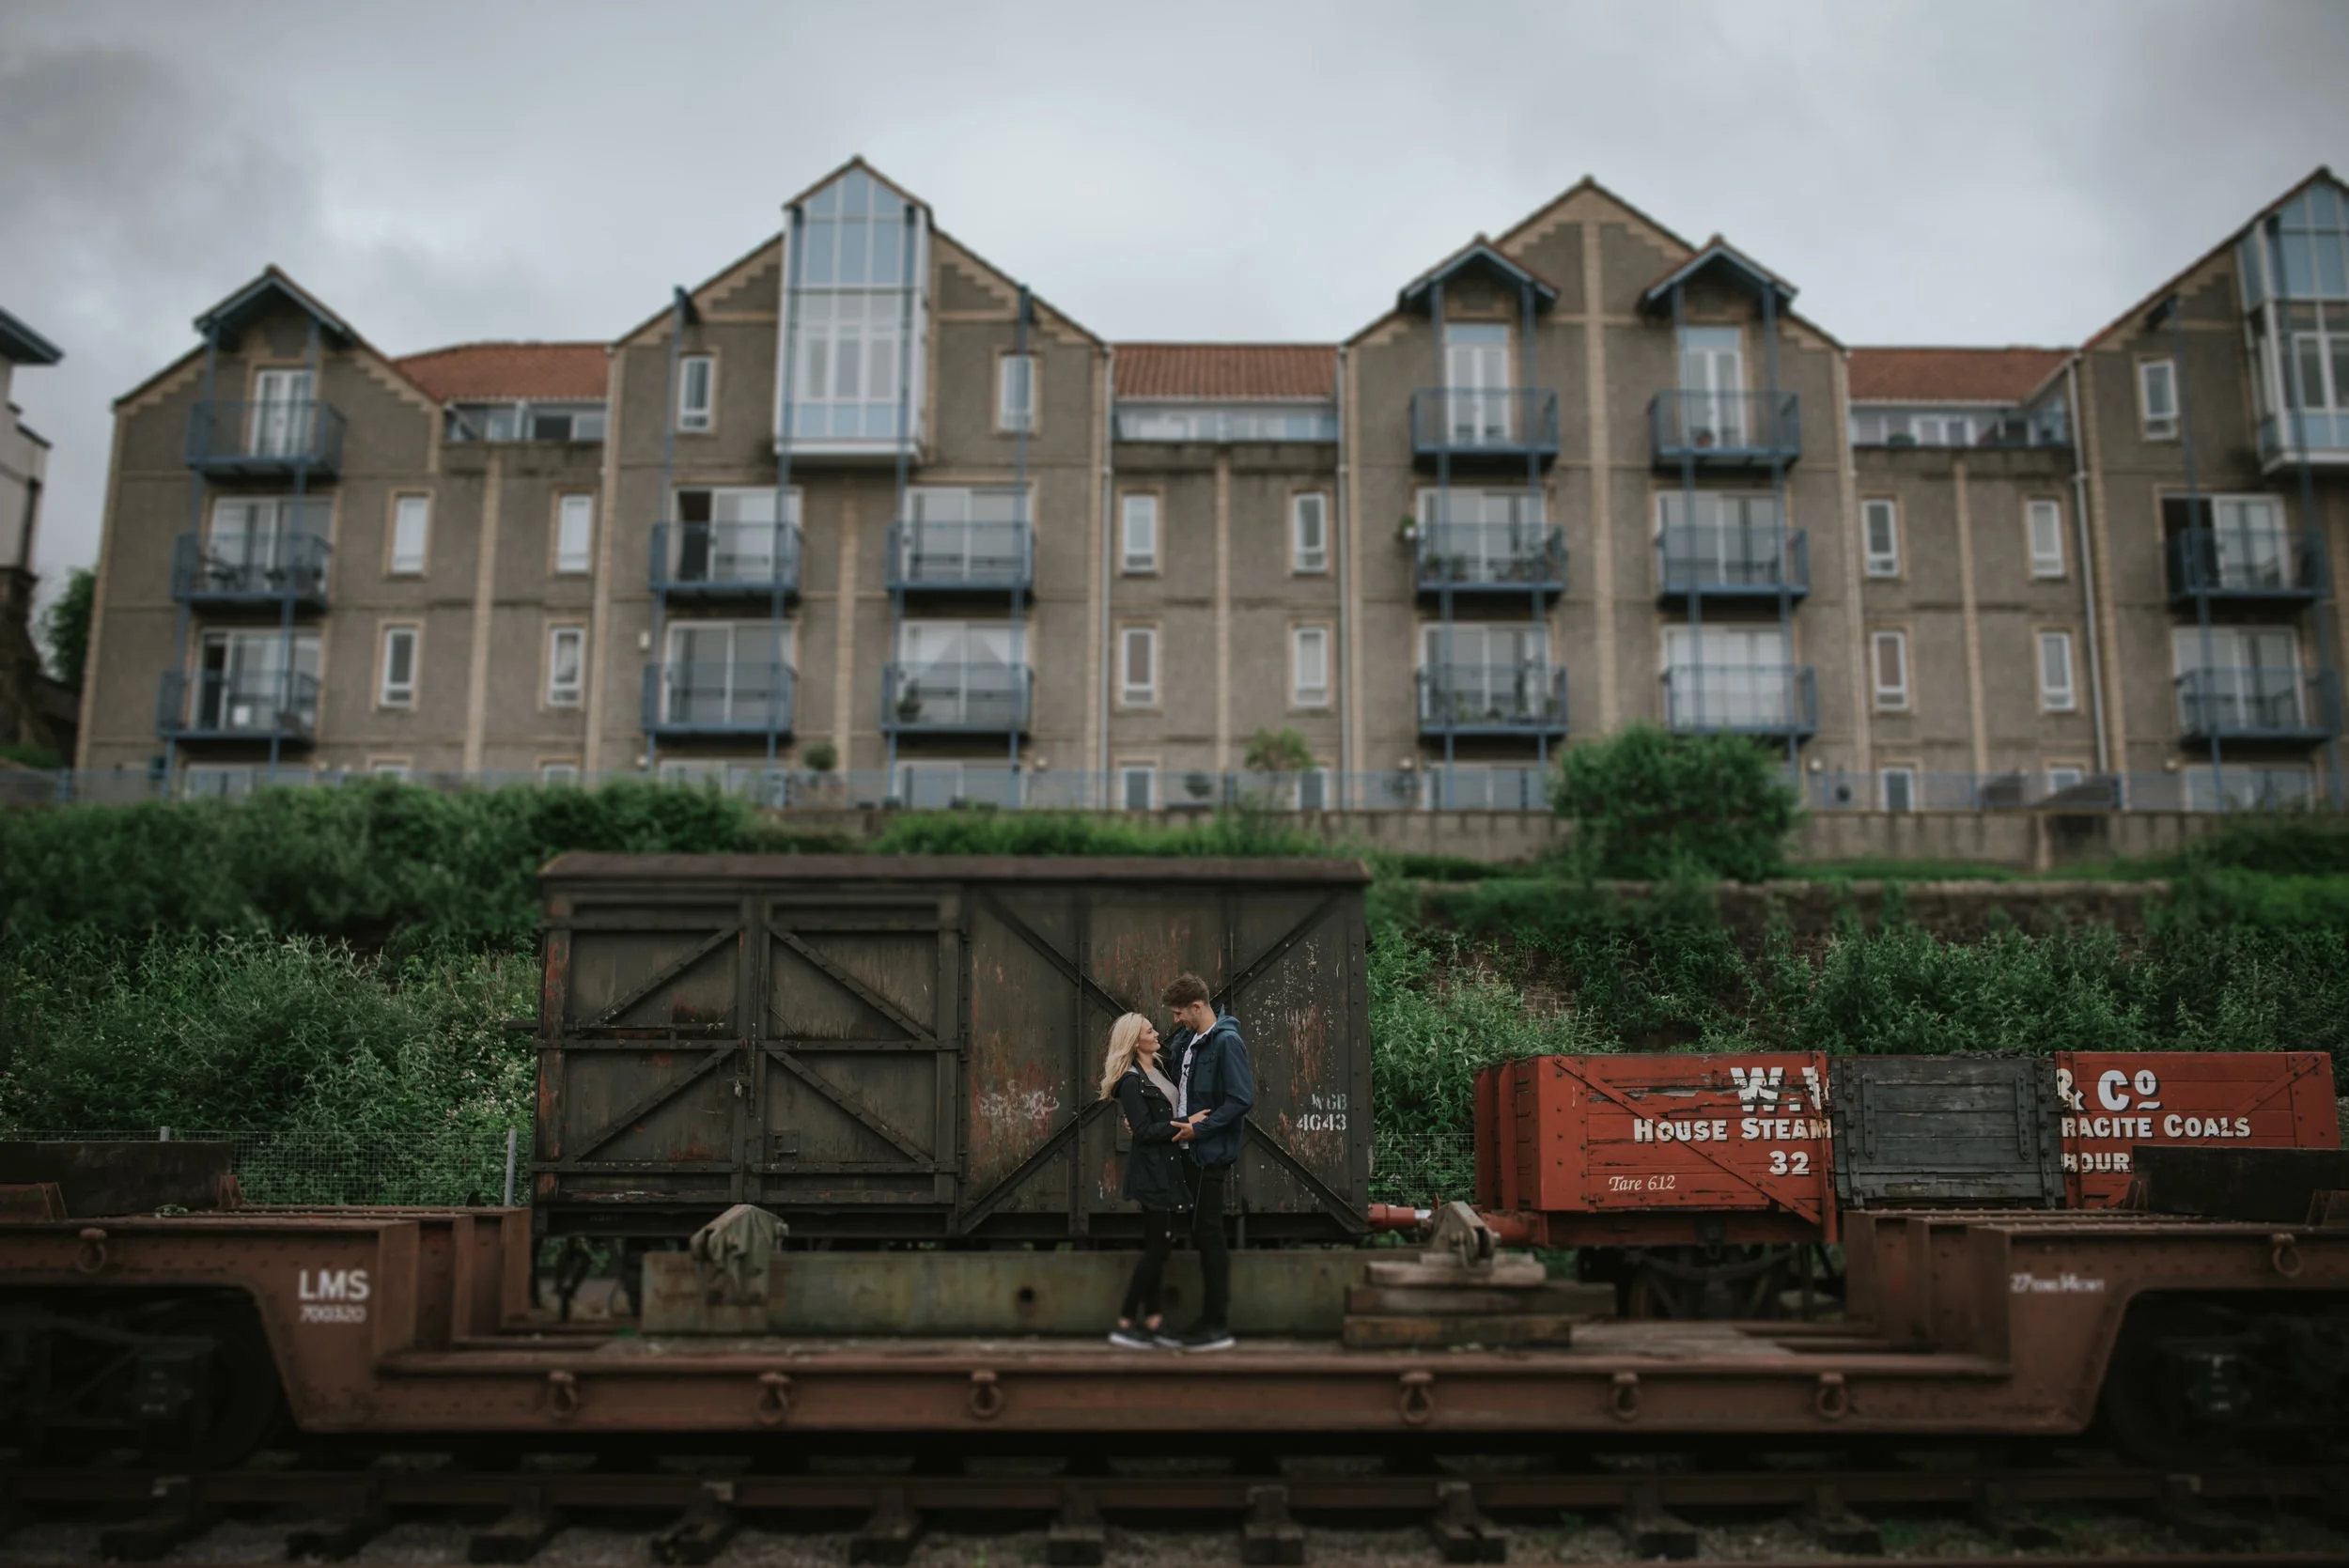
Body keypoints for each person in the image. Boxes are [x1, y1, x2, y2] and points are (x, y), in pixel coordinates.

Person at [1160, 972, 1253, 1351]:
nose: (1175, 1019)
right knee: (1200, 1234)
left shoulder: (1227, 1042)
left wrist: (1199, 1130)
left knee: (1210, 1235)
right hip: (1187, 1152)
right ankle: (1205, 1323)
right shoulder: (1187, 1040)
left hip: (1208, 1153)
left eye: (1179, 1012)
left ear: (1198, 1007)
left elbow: (1240, 1099)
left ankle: (1215, 1326)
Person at [1099, 1011, 1198, 1350]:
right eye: (1149, 1030)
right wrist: (1187, 1123)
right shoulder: (1130, 1080)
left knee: (1161, 1244)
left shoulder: (1158, 1069)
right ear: (1134, 1040)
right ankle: (1126, 1322)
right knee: (1158, 1247)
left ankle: (1153, 1320)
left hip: (1165, 1170)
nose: (1157, 1032)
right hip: (1151, 1173)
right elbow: (1143, 1131)